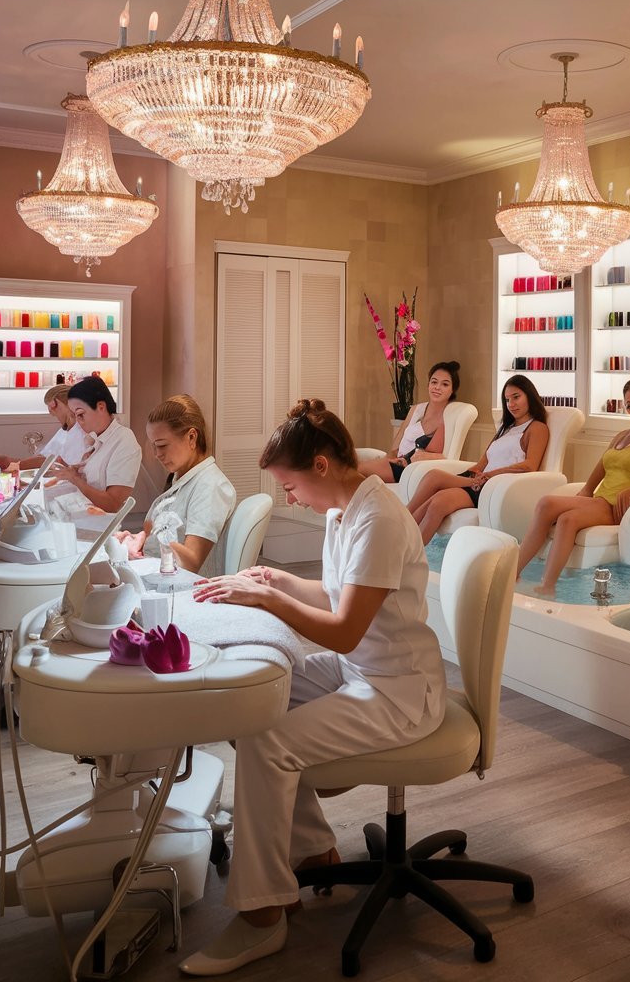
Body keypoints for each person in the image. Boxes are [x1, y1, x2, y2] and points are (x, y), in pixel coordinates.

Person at [181, 399, 446, 976]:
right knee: (252, 703)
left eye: (290, 486)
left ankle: (262, 917)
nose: (288, 499)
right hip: (365, 669)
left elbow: (346, 631)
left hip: (400, 688)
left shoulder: (378, 517)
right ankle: (311, 851)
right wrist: (278, 579)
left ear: (321, 466)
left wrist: (269, 598)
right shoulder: (345, 508)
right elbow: (337, 597)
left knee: (268, 744)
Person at [517, 376, 630, 596]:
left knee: (550, 505)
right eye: (629, 405)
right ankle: (539, 583)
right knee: (565, 517)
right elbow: (599, 470)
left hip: (622, 507)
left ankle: (527, 577)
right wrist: (584, 492)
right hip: (601, 500)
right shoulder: (622, 436)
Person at [405, 374, 550, 545]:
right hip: (479, 480)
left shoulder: (537, 428)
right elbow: (481, 464)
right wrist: (471, 476)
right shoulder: (506, 429)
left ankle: (409, 554)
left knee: (438, 502)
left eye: (516, 397)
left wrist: (490, 475)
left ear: (529, 396)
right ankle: (401, 532)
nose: (511, 404)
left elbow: (530, 465)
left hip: (494, 486)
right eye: (507, 400)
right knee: (433, 478)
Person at [116, 395, 235, 575]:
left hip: (187, 590)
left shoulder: (210, 487)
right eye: (154, 446)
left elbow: (192, 562)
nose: (157, 454)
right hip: (163, 577)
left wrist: (158, 535)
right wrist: (139, 539)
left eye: (162, 445)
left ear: (192, 437)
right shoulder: (181, 480)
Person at [49, 375, 142, 514]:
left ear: (101, 407)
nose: (78, 422)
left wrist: (75, 479)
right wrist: (74, 472)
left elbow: (112, 504)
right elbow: (93, 481)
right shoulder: (95, 438)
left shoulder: (124, 441)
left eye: (81, 414)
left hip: (99, 521)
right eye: (75, 416)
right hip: (84, 510)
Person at [358, 361, 461, 482]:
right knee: (349, 468)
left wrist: (400, 461)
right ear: (428, 385)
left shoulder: (447, 418)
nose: (437, 387)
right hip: (396, 461)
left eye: (445, 384)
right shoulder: (416, 409)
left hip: (409, 471)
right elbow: (396, 445)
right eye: (434, 382)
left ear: (452, 390)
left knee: (354, 471)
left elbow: (437, 457)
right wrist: (387, 460)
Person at [0, 384, 91, 472]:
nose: (50, 413)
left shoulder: (80, 432)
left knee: (0, 461)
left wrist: (12, 465)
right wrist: (12, 463)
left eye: (51, 409)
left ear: (55, 404)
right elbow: (44, 457)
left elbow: (55, 462)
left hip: (64, 480)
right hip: (51, 471)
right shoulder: (66, 430)